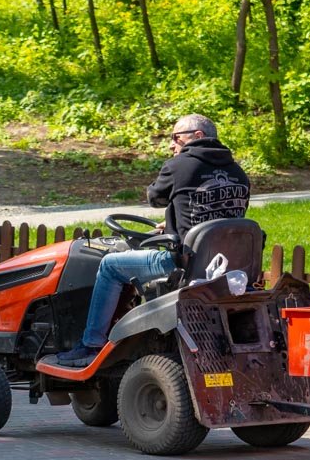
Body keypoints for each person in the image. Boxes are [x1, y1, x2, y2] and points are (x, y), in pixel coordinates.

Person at [56, 114, 251, 367]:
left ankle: (91, 344)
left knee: (110, 265)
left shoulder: (179, 165)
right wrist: (171, 224)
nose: (172, 145)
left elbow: (155, 198)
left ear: (198, 136)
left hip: (183, 264)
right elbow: (220, 217)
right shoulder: (238, 172)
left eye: (175, 137)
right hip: (224, 267)